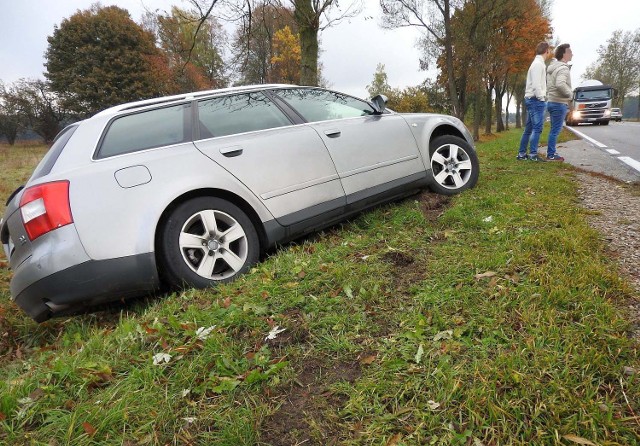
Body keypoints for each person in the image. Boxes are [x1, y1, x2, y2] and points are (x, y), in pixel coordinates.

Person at [517, 42, 554, 161]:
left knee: (528, 129)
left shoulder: (537, 63)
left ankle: (522, 154)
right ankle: (533, 154)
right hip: (535, 100)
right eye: (549, 51)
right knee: (537, 128)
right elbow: (537, 85)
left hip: (531, 99)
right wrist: (541, 98)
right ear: (546, 51)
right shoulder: (538, 64)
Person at [545, 43, 573, 161]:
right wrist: (570, 94)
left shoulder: (552, 68)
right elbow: (560, 84)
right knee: (555, 130)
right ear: (564, 54)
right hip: (558, 102)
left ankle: (551, 153)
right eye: (570, 52)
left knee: (553, 129)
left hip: (551, 100)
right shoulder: (563, 69)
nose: (572, 54)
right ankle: (551, 154)